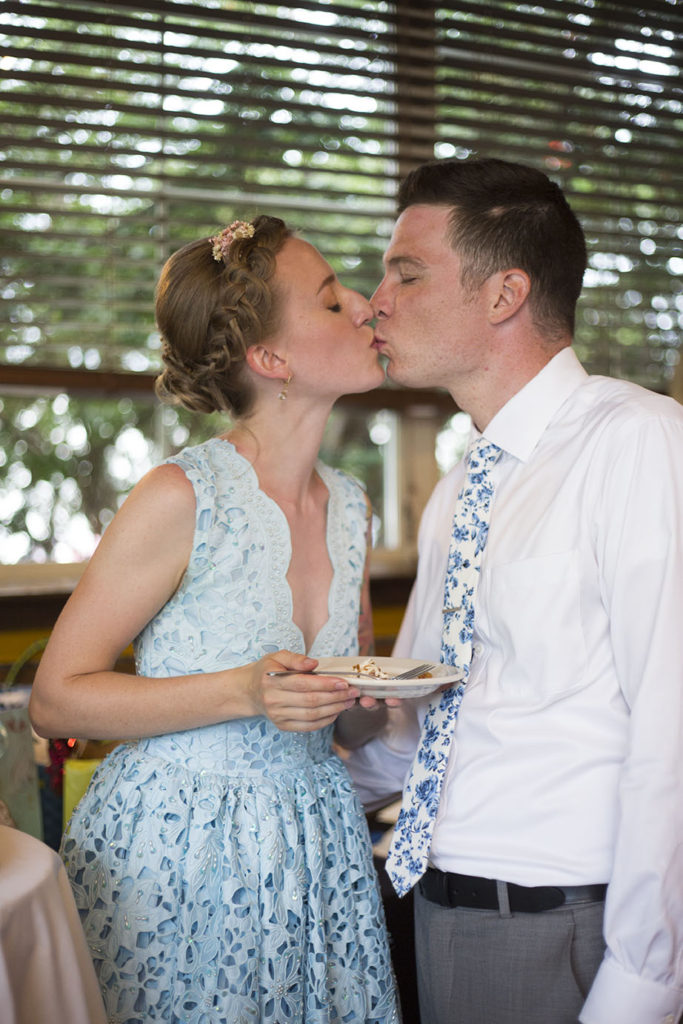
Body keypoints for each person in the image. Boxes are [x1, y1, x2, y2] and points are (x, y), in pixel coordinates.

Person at [29, 215, 401, 1024]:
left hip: (316, 851)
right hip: (175, 855)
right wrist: (243, 691)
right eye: (333, 301)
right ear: (272, 360)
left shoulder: (351, 505)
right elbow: (55, 699)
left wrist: (370, 707)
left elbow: (343, 726)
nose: (369, 305)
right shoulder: (179, 496)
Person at [346, 158, 683, 1024]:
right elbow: (425, 713)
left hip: (563, 923)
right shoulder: (463, 483)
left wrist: (641, 985)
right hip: (431, 900)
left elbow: (672, 731)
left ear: (503, 295)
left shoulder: (640, 443)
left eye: (405, 273)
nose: (374, 299)